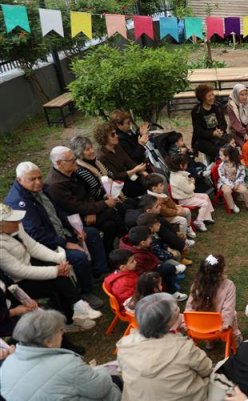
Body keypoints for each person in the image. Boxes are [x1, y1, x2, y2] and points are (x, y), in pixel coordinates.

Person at [0, 310, 120, 401]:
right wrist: (102, 372)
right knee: (114, 383)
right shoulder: (67, 363)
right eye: (60, 330)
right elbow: (101, 389)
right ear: (48, 342)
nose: (63, 333)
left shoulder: (8, 363)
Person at [8, 160, 106, 307]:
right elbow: (37, 234)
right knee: (78, 257)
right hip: (46, 243)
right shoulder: (19, 202)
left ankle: (98, 273)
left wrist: (73, 228)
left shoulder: (42, 189)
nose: (38, 182)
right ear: (19, 180)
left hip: (60, 231)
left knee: (91, 233)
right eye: (32, 179)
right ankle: (85, 292)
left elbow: (58, 211)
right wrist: (66, 243)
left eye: (39, 177)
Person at [117, 293, 212, 401]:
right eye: (178, 314)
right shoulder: (184, 348)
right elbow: (207, 369)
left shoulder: (125, 346)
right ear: (171, 323)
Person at [0, 204, 95, 336]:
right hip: (18, 282)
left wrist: (58, 259)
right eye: (13, 220)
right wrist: (55, 271)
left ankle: (74, 312)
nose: (19, 221)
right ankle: (72, 313)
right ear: (1, 226)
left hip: (31, 264)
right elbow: (19, 271)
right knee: (57, 281)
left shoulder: (16, 227)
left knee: (60, 276)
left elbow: (33, 247)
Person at [186, 254, 242, 345]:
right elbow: (228, 310)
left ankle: (209, 341)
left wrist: (189, 323)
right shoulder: (228, 285)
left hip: (198, 326)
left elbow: (190, 307)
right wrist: (224, 326)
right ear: (221, 271)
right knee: (233, 313)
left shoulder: (196, 285)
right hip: (219, 326)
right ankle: (235, 339)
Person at [119, 226, 183, 301]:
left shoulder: (135, 241)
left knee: (171, 268)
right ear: (142, 243)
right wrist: (159, 267)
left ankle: (171, 277)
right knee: (168, 269)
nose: (151, 239)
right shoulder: (136, 258)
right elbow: (143, 276)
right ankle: (171, 291)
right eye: (149, 238)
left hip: (153, 265)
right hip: (149, 276)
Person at [95, 122, 148, 198]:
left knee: (149, 180)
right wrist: (135, 170)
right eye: (113, 135)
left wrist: (142, 171)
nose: (116, 136)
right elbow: (116, 176)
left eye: (115, 133)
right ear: (104, 138)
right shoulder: (102, 156)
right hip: (120, 183)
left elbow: (129, 161)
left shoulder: (117, 146)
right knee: (139, 188)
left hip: (130, 176)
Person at [167, 153, 215, 232]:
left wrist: (189, 182)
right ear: (181, 165)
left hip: (187, 196)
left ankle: (206, 217)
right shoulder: (179, 178)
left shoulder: (176, 173)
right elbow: (189, 189)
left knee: (205, 196)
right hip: (184, 199)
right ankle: (198, 221)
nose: (187, 165)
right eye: (186, 164)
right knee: (204, 203)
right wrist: (192, 182)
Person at [143, 174, 195, 239]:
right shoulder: (156, 199)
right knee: (182, 220)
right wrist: (177, 212)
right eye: (161, 185)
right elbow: (165, 211)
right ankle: (183, 238)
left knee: (187, 211)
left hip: (172, 211)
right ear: (154, 188)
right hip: (165, 217)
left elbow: (170, 203)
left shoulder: (160, 194)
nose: (163, 186)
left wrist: (177, 206)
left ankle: (188, 227)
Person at [191, 83, 228, 164]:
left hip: (219, 135)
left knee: (230, 148)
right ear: (202, 98)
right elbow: (198, 131)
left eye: (212, 94)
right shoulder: (196, 111)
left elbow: (224, 124)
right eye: (209, 96)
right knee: (216, 152)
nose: (212, 97)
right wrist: (212, 134)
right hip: (203, 139)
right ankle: (214, 170)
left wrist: (220, 131)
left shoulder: (217, 106)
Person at [217, 145, 248, 213]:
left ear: (227, 157)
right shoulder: (221, 166)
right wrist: (231, 185)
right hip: (225, 182)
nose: (219, 157)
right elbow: (222, 177)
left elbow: (242, 175)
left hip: (237, 181)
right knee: (227, 191)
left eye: (221, 155)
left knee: (244, 190)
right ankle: (232, 205)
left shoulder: (238, 164)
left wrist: (237, 183)